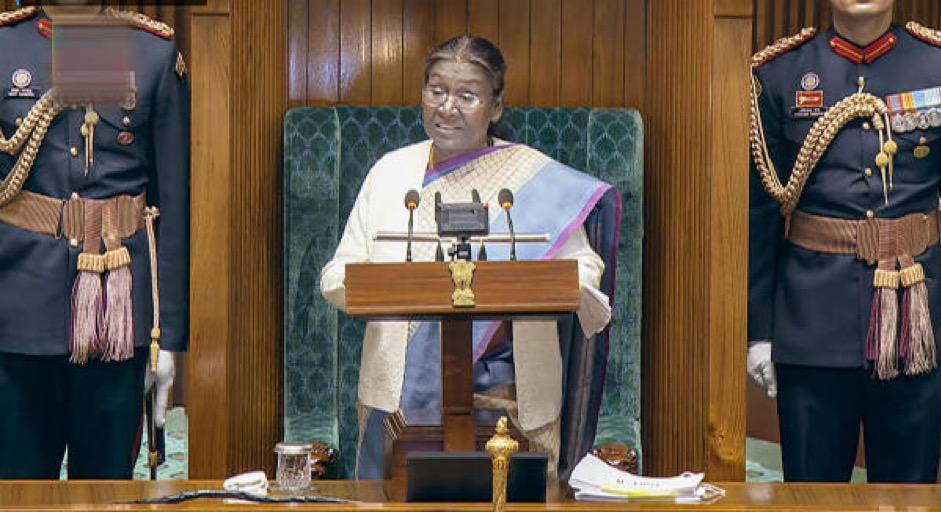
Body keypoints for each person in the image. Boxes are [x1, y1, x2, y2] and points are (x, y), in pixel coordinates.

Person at [320, 35, 621, 480]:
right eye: (436, 90)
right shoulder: (389, 173)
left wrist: (541, 283)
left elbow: (585, 267)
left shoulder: (529, 177)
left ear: (495, 107)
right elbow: (336, 274)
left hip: (510, 388)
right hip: (401, 390)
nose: (447, 107)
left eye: (467, 95)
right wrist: (377, 286)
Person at [748, 0, 941, 482]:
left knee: (910, 498)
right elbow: (760, 215)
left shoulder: (934, 64)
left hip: (917, 327)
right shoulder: (779, 74)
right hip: (813, 326)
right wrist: (760, 332)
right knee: (812, 497)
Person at [0, 4, 188, 479]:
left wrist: (167, 339)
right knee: (18, 493)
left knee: (106, 492)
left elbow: (173, 204)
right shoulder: (5, 46)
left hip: (116, 314)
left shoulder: (151, 52)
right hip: (18, 313)